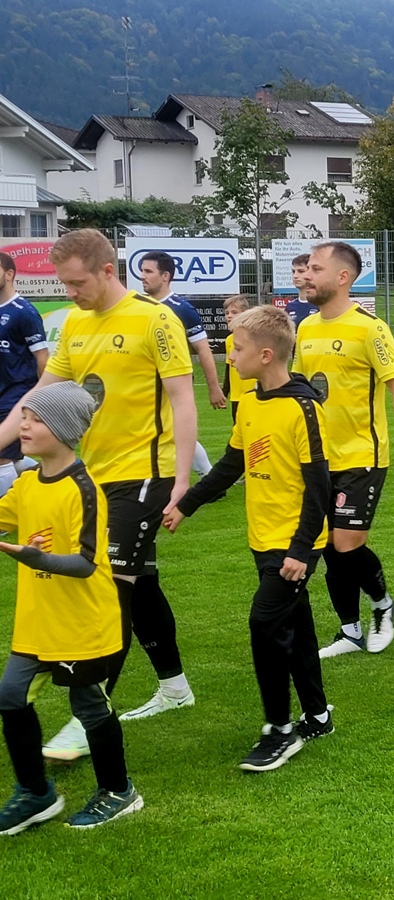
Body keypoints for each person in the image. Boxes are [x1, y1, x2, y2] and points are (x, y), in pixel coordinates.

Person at [0, 230, 198, 761]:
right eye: (63, 283)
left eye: (77, 283)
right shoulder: (75, 324)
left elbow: (182, 399)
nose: (69, 293)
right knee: (140, 581)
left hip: (145, 475)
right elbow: (40, 393)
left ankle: (87, 716)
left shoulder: (155, 319)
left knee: (110, 588)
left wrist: (181, 480)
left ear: (108, 271)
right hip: (93, 477)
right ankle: (175, 687)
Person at [164, 305, 333, 771]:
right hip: (262, 536)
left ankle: (280, 730)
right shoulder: (253, 402)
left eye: (236, 349)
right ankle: (318, 715)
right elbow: (230, 465)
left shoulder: (303, 408)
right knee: (296, 627)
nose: (229, 357)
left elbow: (320, 487)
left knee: (264, 622)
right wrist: (186, 504)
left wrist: (301, 550)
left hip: (294, 543)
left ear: (265, 355)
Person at [0, 382, 142, 833]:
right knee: (9, 697)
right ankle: (35, 793)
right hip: (36, 622)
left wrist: (36, 559)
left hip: (82, 624)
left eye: (36, 419)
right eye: (24, 417)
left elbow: (84, 564)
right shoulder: (26, 483)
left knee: (89, 706)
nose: (23, 426)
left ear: (62, 430)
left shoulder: (84, 490)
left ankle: (118, 791)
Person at [295, 241, 394, 657]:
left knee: (347, 543)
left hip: (361, 456)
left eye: (316, 268)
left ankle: (383, 605)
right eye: (306, 268)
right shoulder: (306, 328)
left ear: (343, 277)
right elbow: (298, 392)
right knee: (329, 546)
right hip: (318, 458)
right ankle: (350, 632)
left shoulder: (370, 328)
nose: (306, 275)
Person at [138, 251, 227, 477]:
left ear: (165, 276)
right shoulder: (139, 306)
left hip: (171, 381)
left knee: (171, 429)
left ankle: (202, 475)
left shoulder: (181, 308)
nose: (142, 276)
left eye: (148, 271)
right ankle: (207, 477)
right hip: (144, 382)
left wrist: (214, 387)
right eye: (141, 271)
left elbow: (203, 349)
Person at [0, 252, 49, 497]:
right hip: (1, 392)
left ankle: (5, 514)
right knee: (13, 457)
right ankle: (46, 477)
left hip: (17, 394)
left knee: (1, 457)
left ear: (9, 274)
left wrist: (41, 398)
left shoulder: (24, 312)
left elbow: (42, 357)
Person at [223, 295, 255, 423]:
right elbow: (228, 368)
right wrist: (224, 392)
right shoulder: (229, 340)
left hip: (253, 394)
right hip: (236, 397)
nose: (229, 316)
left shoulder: (254, 337)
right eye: (227, 313)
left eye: (234, 312)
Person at [284, 254, 319, 329]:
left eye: (301, 271)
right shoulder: (290, 306)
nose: (295, 276)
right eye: (293, 271)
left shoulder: (322, 305)